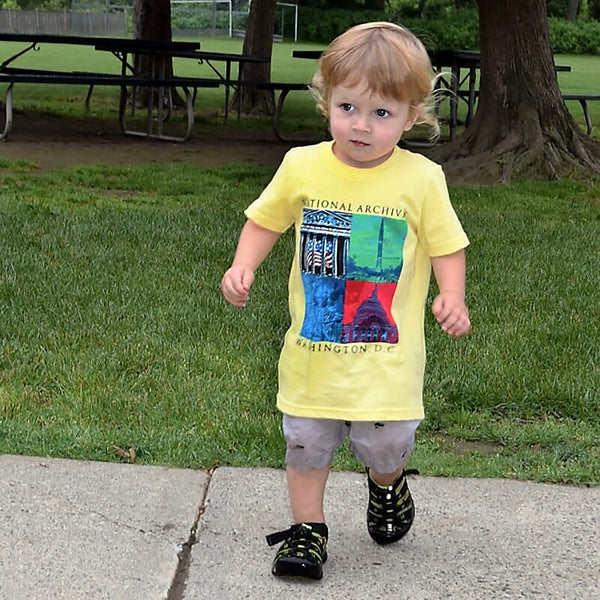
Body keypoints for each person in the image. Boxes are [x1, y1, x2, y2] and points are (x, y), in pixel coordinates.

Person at [221, 21, 470, 581]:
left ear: (411, 116)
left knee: (386, 447)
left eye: (381, 114)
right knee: (306, 442)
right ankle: (308, 531)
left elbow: (447, 245)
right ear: (326, 99)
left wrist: (451, 295)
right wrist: (244, 265)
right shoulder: (302, 166)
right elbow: (264, 220)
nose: (361, 125)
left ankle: (388, 486)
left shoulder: (422, 179)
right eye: (348, 107)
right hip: (314, 352)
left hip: (388, 361)